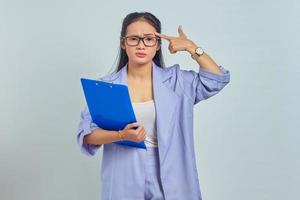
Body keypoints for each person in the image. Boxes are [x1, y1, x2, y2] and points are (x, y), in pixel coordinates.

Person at [77, 11, 230, 200]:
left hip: (173, 175)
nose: (141, 45)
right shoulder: (107, 87)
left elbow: (217, 79)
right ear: (123, 43)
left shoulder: (176, 82)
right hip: (124, 175)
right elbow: (87, 135)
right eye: (134, 39)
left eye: (149, 39)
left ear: (157, 45)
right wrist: (121, 135)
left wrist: (192, 48)